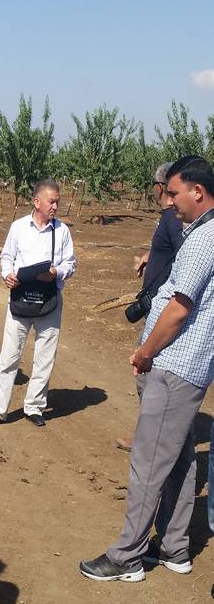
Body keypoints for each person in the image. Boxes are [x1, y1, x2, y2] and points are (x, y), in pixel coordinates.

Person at [80, 156, 214, 583]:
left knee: (148, 460)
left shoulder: (204, 238)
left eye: (173, 192)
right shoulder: (202, 234)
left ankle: (127, 555)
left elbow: (179, 307)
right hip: (188, 366)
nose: (168, 201)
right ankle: (174, 547)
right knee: (178, 457)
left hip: (175, 364)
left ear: (198, 191)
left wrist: (145, 353)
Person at [0, 178, 76, 427]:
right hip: (21, 299)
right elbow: (6, 257)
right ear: (37, 201)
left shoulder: (62, 231)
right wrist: (8, 275)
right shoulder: (19, 227)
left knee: (45, 356)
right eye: (52, 201)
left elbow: (70, 263)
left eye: (57, 201)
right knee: (9, 356)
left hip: (49, 301)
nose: (56, 206)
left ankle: (34, 407)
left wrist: (55, 273)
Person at [116, 162, 182, 452]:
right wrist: (150, 253)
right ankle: (148, 434)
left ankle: (147, 438)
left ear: (159, 188)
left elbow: (183, 256)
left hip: (161, 308)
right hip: (158, 304)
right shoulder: (170, 220)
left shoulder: (171, 220)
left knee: (146, 370)